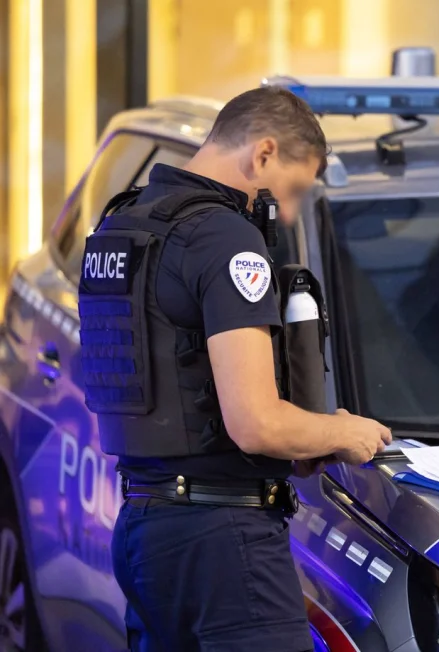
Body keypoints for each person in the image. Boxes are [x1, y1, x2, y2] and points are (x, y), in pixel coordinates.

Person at [78, 86, 391, 651]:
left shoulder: (123, 224)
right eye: (293, 190)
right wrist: (343, 430)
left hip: (144, 531)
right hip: (223, 542)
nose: (288, 212)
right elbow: (257, 424)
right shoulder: (225, 236)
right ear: (264, 153)